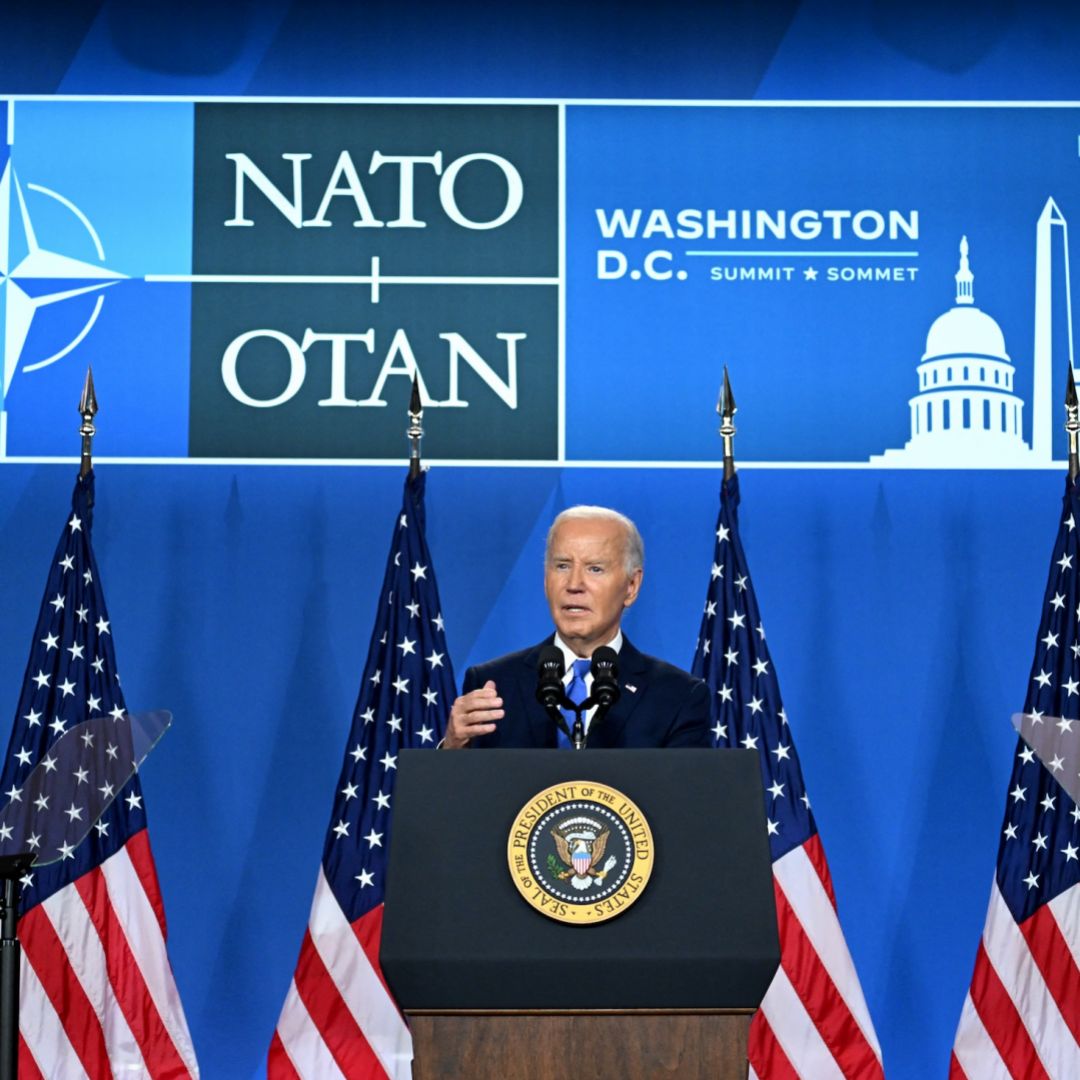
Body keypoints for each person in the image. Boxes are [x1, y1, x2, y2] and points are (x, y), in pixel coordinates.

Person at [442, 505, 711, 749]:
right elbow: (458, 796)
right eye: (562, 566)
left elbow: (688, 798)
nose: (574, 585)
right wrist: (453, 749)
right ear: (546, 580)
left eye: (595, 569)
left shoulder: (677, 697)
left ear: (631, 586)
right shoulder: (494, 687)